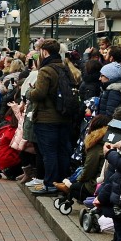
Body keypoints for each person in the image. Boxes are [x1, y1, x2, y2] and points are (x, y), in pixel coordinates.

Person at [29, 39, 80, 196]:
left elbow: (39, 94)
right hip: (64, 117)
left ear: (45, 52)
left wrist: (29, 92)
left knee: (49, 152)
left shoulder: (46, 70)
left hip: (47, 118)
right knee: (62, 151)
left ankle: (50, 184)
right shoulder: (65, 68)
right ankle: (61, 183)